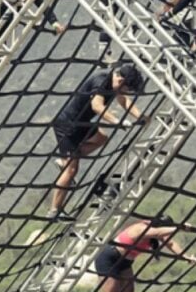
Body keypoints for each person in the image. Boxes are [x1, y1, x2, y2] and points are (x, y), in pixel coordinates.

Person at [51, 62, 146, 218]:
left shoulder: (115, 81)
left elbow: (124, 101)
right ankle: (55, 210)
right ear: (121, 81)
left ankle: (65, 160)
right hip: (67, 125)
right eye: (127, 88)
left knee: (101, 138)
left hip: (82, 123)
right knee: (72, 170)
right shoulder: (101, 79)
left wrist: (141, 117)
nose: (126, 91)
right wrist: (117, 121)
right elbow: (97, 105)